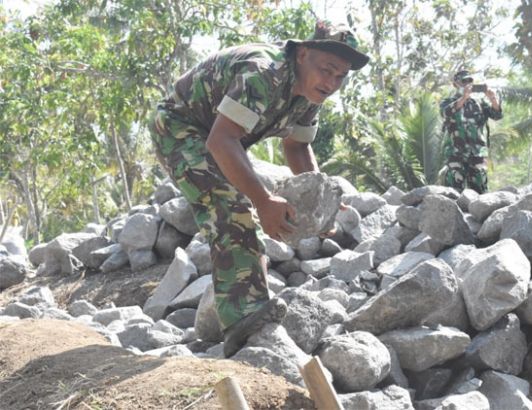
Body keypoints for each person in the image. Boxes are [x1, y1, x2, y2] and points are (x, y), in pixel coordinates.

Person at [149, 21, 369, 357]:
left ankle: (247, 310)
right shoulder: (263, 74)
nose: (331, 82)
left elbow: (296, 148)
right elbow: (221, 140)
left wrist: (321, 199)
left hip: (222, 135)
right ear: (303, 53)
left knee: (243, 196)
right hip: (180, 128)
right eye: (327, 70)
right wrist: (264, 201)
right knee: (230, 203)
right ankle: (243, 319)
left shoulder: (310, 92)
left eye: (341, 76)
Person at [440, 70, 502, 194]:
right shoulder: (448, 102)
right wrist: (464, 98)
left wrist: (493, 99)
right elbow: (445, 113)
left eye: (470, 81)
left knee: (481, 192)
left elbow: (497, 115)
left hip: (478, 153)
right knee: (453, 192)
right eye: (464, 81)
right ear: (455, 84)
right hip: (456, 152)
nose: (467, 84)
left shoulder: (479, 104)